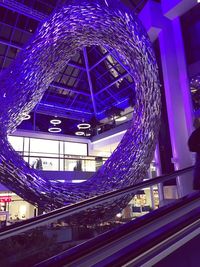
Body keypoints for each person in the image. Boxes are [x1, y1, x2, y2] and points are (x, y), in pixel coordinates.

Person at [188, 118, 200, 190]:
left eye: (195, 123)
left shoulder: (196, 134)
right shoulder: (195, 134)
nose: (193, 125)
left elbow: (191, 147)